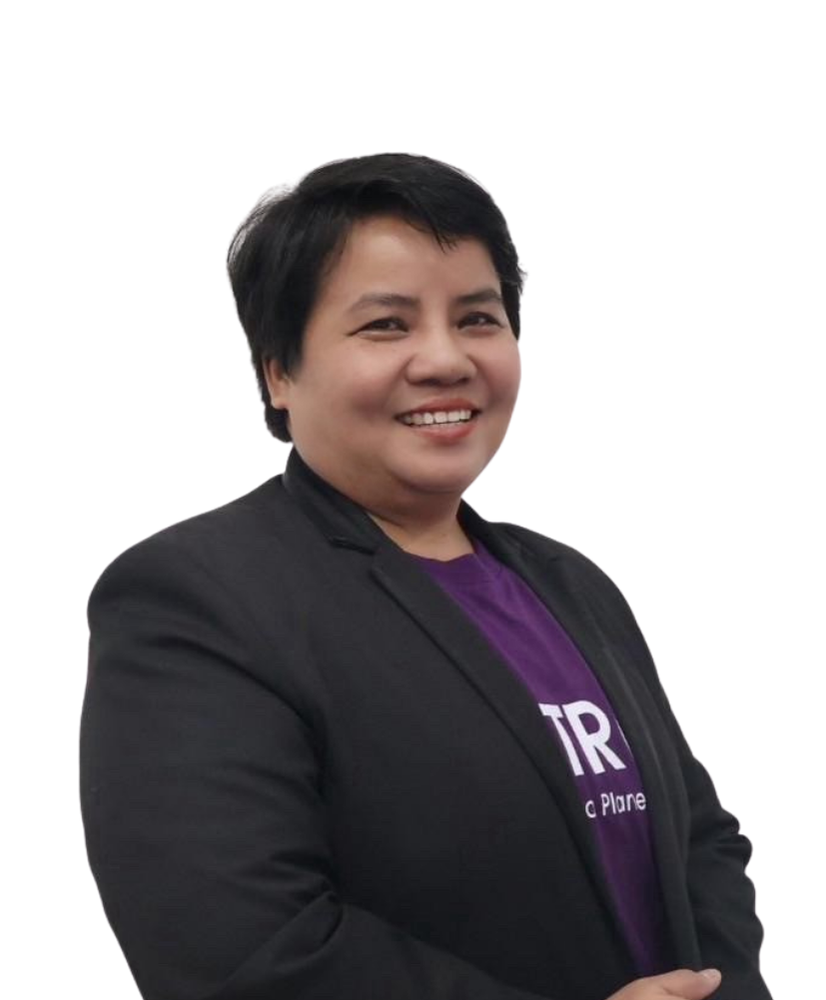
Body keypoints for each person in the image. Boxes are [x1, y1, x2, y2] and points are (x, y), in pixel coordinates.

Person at [79, 153, 772, 1000]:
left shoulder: (571, 584)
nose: (445, 360)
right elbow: (240, 949)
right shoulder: (199, 598)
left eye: (478, 318)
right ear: (278, 371)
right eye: (386, 325)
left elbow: (699, 841)